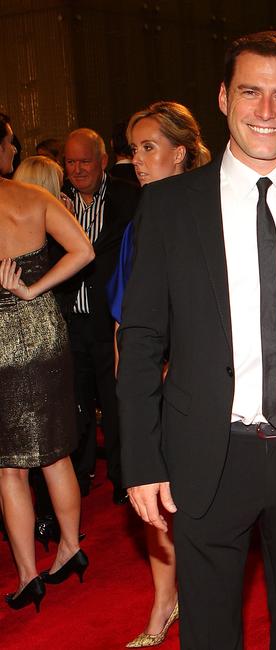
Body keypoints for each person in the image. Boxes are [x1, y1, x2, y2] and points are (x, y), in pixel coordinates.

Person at [117, 31, 276, 649]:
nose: (266, 111)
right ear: (224, 98)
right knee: (210, 628)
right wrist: (141, 461)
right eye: (251, 92)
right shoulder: (168, 207)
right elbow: (141, 340)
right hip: (208, 449)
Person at [107, 101, 211, 648]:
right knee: (153, 494)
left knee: (192, 499)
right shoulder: (142, 216)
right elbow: (129, 317)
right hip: (151, 381)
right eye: (134, 149)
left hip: (194, 381)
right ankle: (165, 599)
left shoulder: (208, 210)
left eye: (149, 148)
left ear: (181, 152)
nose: (138, 160)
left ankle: (190, 597)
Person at [0, 113, 94, 613]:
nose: (14, 152)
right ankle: (70, 548)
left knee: (9, 469)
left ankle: (26, 576)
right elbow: (83, 250)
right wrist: (33, 289)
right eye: (10, 144)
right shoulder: (35, 199)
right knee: (56, 453)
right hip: (43, 330)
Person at [56, 128, 139, 504]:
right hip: (72, 321)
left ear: (103, 161)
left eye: (84, 161)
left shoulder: (127, 196)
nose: (76, 169)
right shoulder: (55, 201)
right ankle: (82, 475)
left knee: (118, 404)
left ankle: (124, 477)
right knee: (78, 404)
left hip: (111, 321)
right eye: (70, 162)